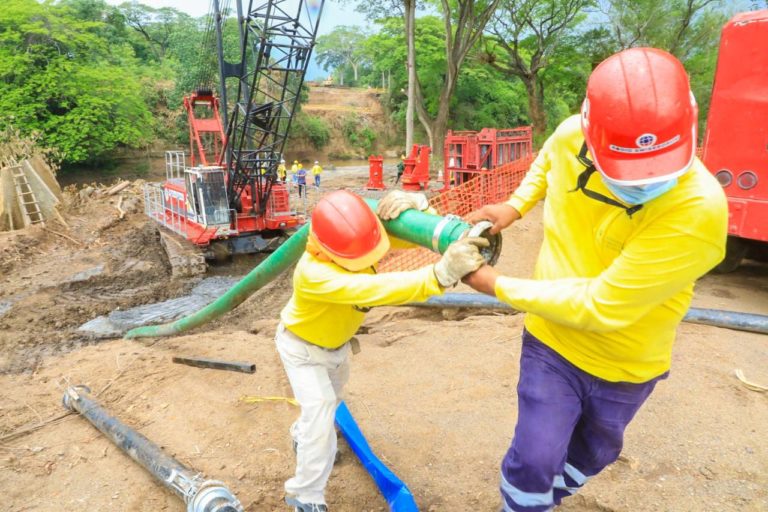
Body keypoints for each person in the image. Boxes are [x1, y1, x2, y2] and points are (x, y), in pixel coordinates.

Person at [462, 47, 728, 512]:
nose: (643, 183)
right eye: (628, 172)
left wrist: (494, 284)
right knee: (535, 456)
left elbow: (604, 305)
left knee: (597, 452)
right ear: (592, 136)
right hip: (553, 342)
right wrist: (514, 206)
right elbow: (549, 160)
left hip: (629, 361)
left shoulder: (700, 212)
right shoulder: (571, 136)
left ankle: (549, 495)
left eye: (657, 172)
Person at [276, 189, 488, 512]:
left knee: (323, 408)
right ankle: (305, 496)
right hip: (302, 350)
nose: (373, 258)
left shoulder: (353, 239)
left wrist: (422, 209)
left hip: (335, 348)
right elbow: (374, 288)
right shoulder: (312, 274)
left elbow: (407, 237)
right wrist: (439, 275)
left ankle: (303, 435)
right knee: (320, 411)